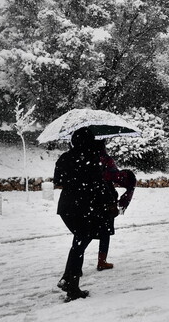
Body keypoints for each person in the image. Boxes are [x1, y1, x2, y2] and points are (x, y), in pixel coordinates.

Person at [54, 127, 113, 302]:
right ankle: (71, 286)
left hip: (66, 207)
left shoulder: (64, 158)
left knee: (78, 242)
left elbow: (58, 182)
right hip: (84, 207)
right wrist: (110, 201)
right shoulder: (91, 159)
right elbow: (99, 185)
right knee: (80, 244)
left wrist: (74, 181)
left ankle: (68, 279)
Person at [94, 140, 136, 271]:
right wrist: (128, 180)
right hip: (105, 200)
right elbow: (115, 176)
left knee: (84, 235)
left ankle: (76, 266)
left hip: (89, 199)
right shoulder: (106, 160)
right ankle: (102, 261)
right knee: (105, 232)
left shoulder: (85, 158)